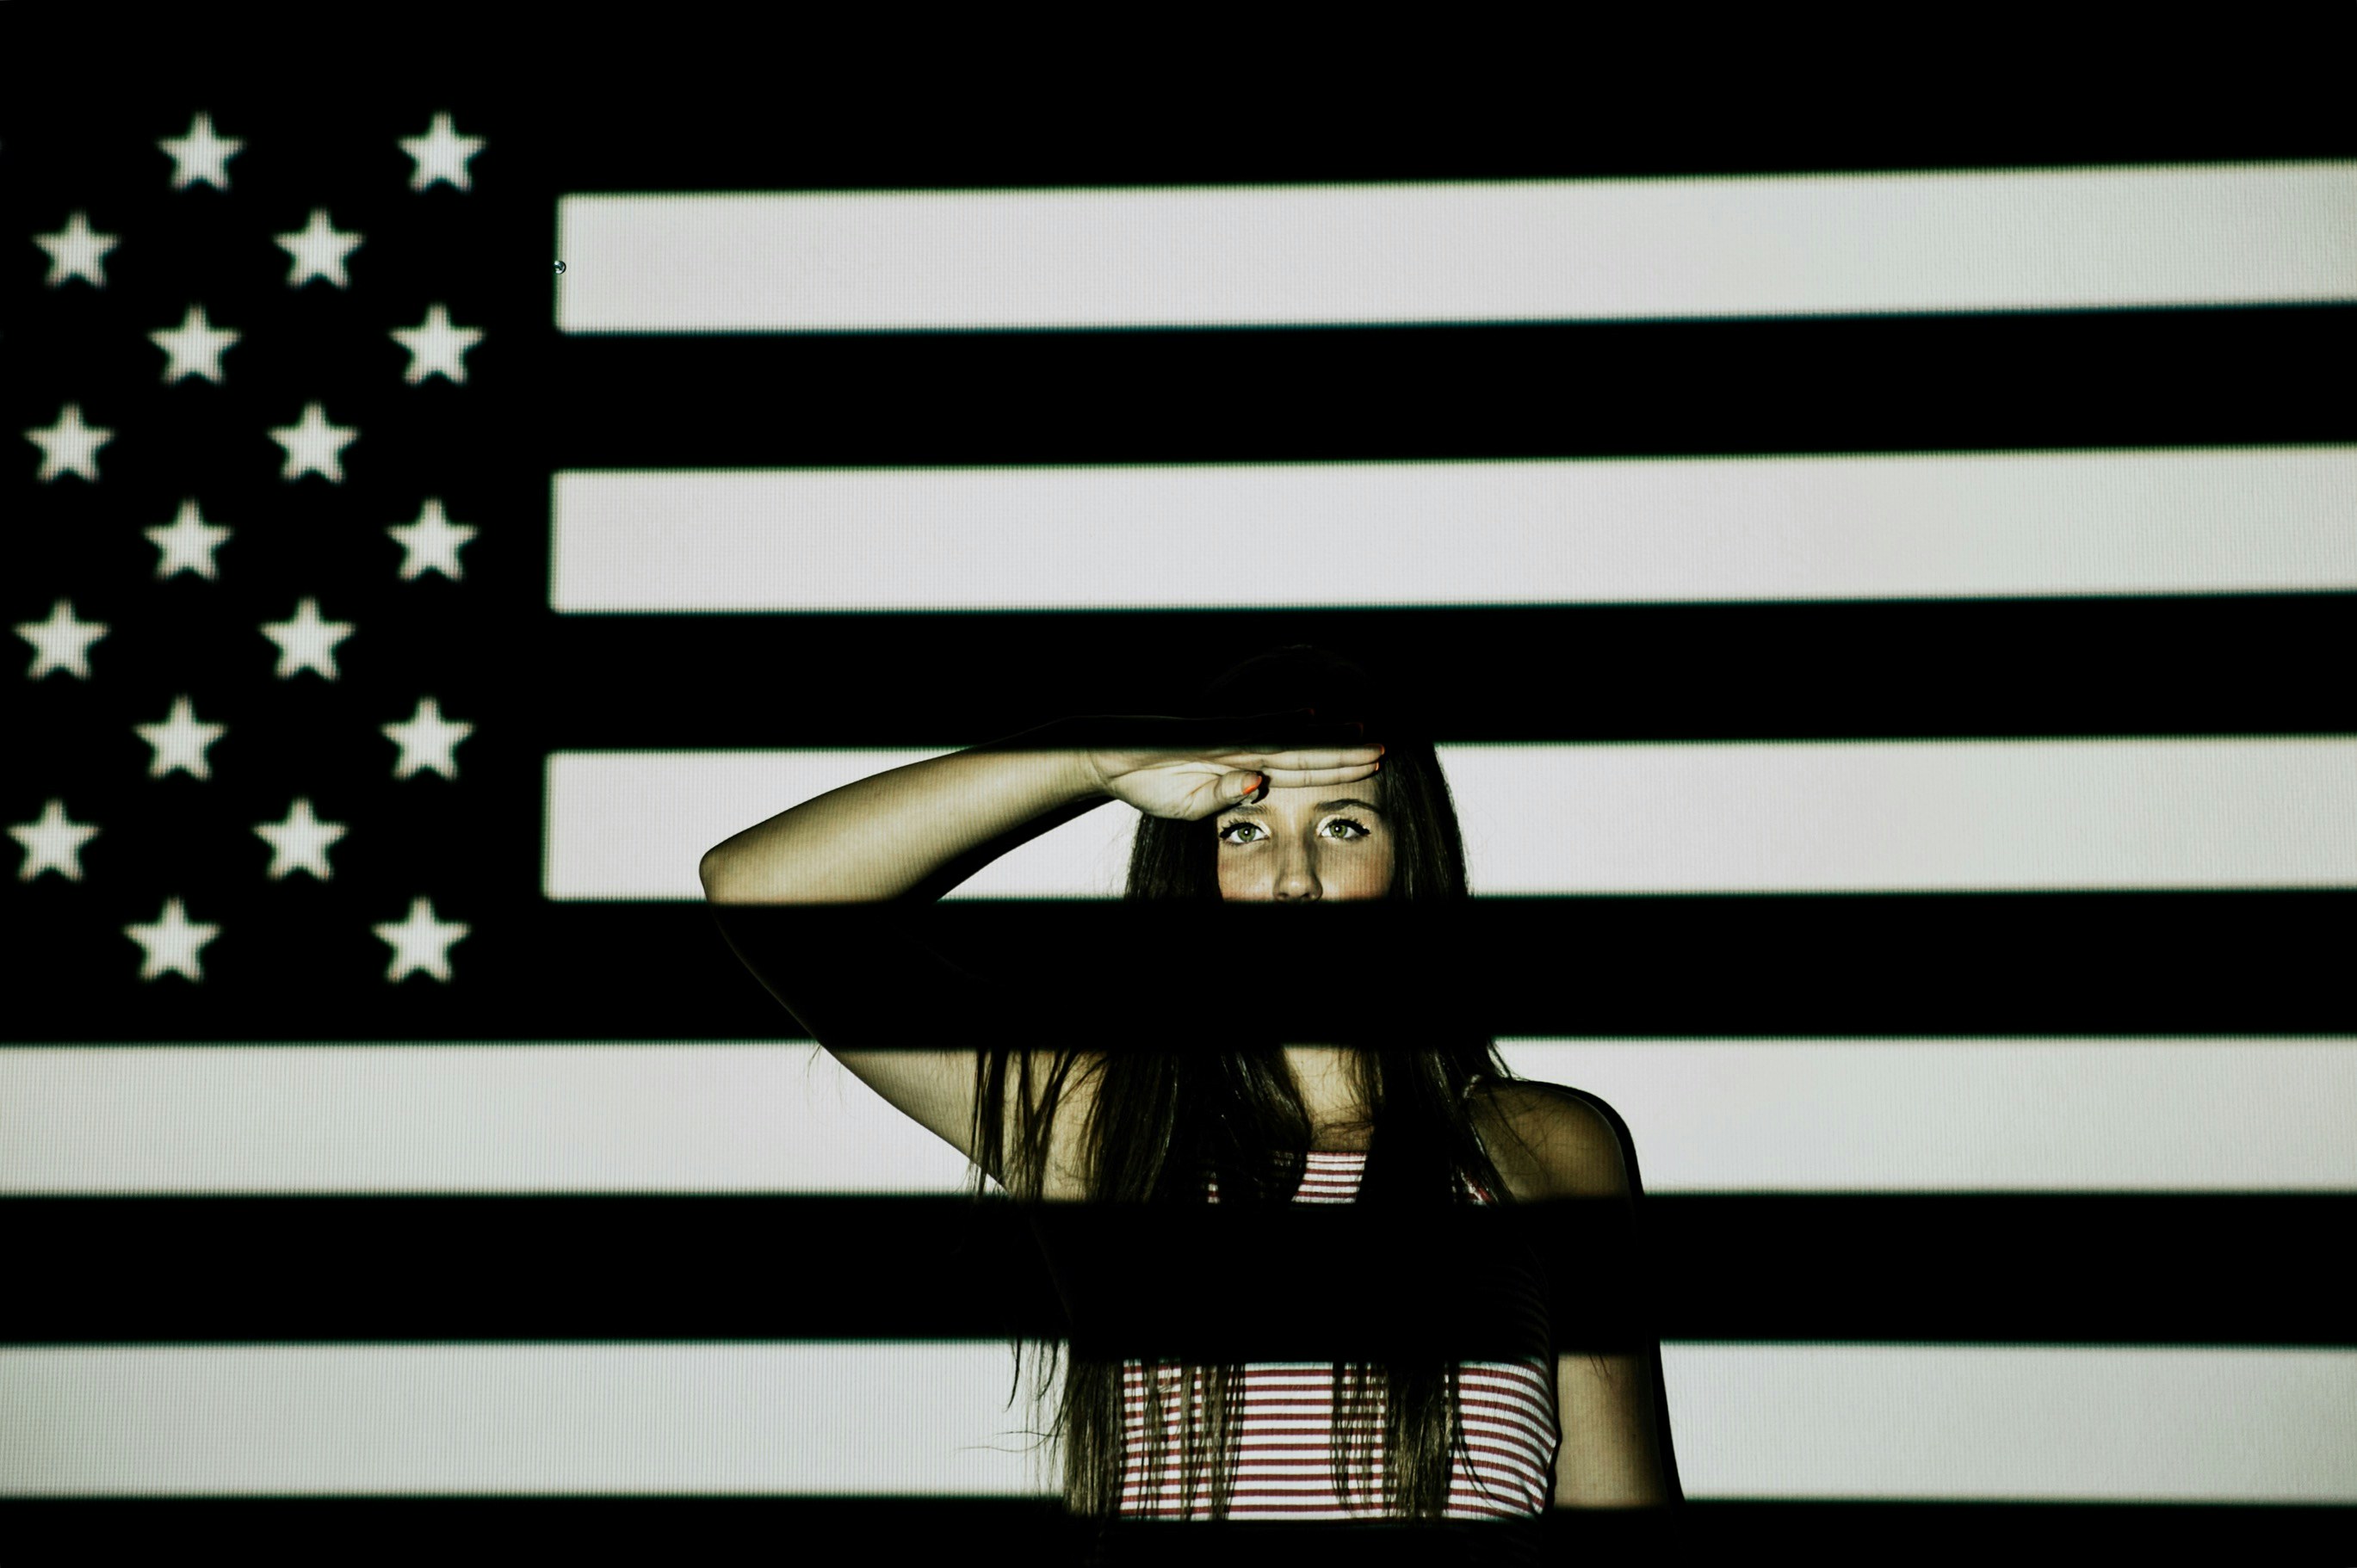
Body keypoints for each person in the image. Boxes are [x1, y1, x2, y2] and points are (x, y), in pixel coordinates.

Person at [701, 644, 1680, 1565]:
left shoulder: (1543, 1146)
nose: (1293, 879)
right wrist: (1091, 758)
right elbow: (758, 887)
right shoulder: (1103, 1127)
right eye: (1244, 830)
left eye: (1343, 825)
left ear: (1407, 861)